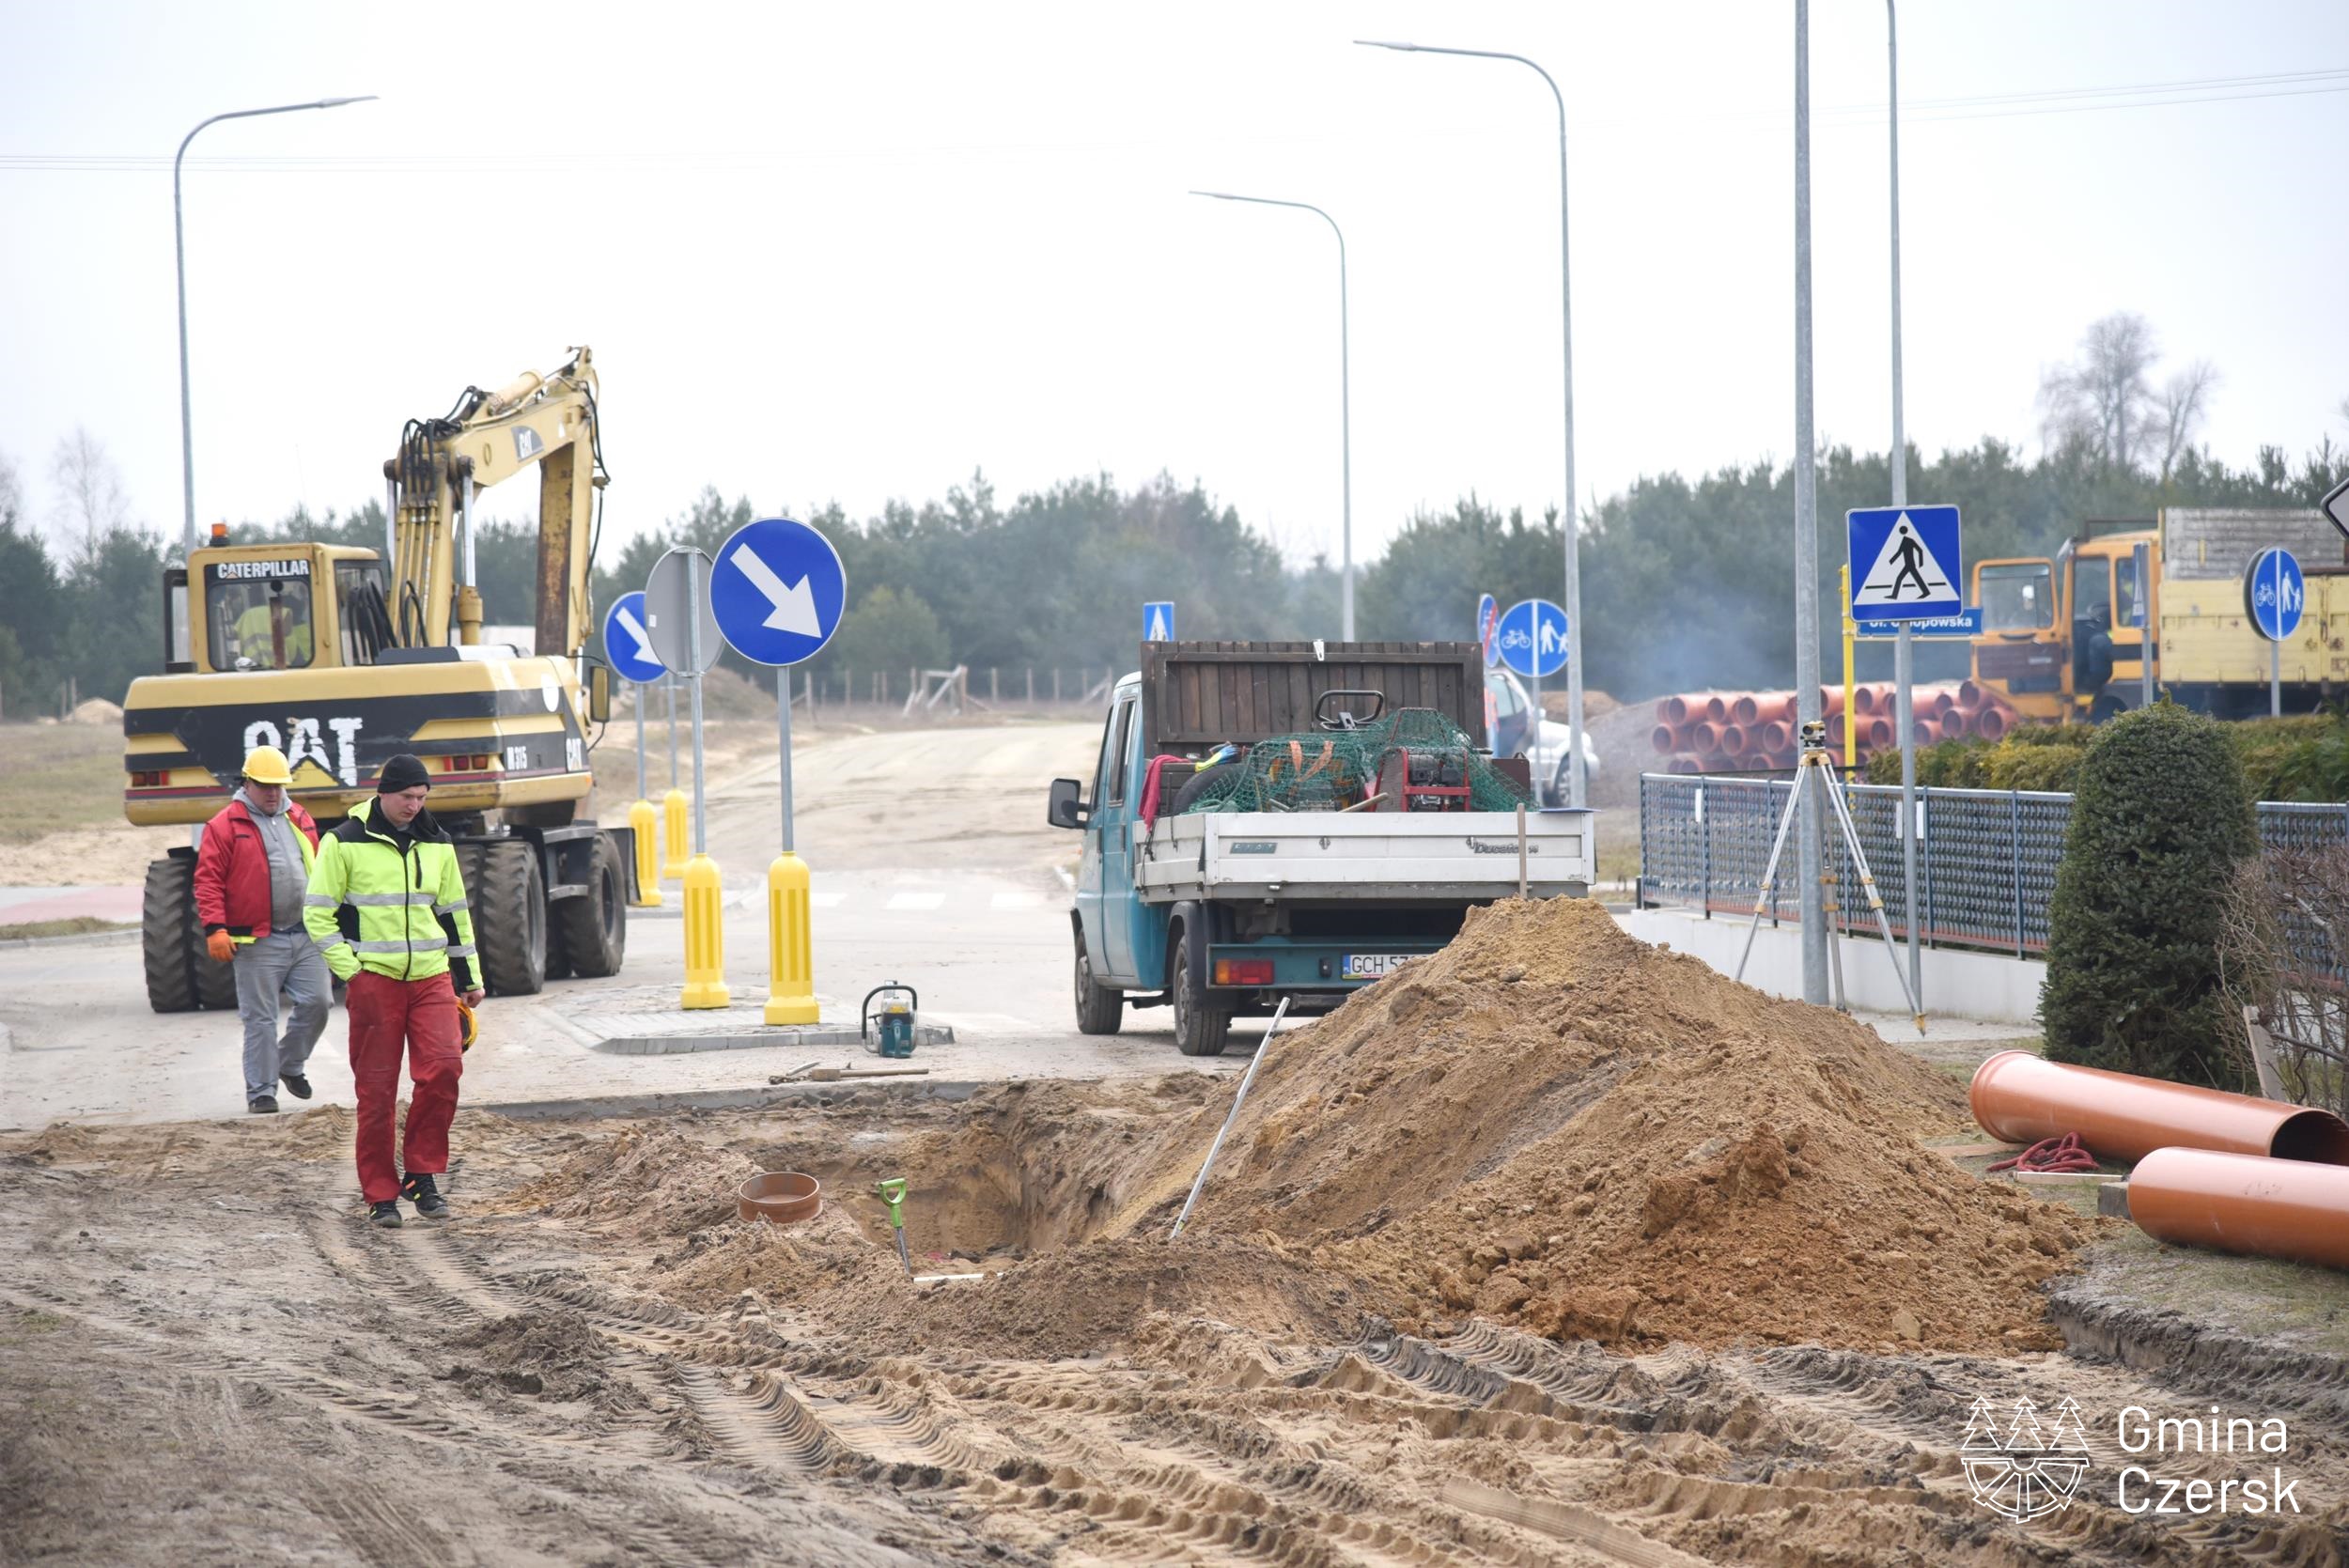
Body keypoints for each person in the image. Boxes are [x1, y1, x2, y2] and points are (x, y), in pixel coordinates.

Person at [304, 753, 484, 1228]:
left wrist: (469, 978)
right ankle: (380, 1194)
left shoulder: (437, 843)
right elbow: (317, 914)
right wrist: (352, 971)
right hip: (374, 982)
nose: (414, 806)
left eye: (422, 798)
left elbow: (453, 914)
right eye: (407, 797)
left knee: (444, 1070)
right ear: (382, 793)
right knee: (378, 1094)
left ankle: (420, 1174)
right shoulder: (342, 843)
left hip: (431, 978)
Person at [194, 745, 331, 1114]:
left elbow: (318, 869)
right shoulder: (224, 825)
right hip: (257, 939)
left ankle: (288, 1064)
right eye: (265, 786)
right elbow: (208, 882)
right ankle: (261, 1092)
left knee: (319, 1003)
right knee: (261, 1019)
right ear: (247, 783)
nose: (273, 793)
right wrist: (215, 928)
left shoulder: (299, 817)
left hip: (305, 934)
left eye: (279, 786)